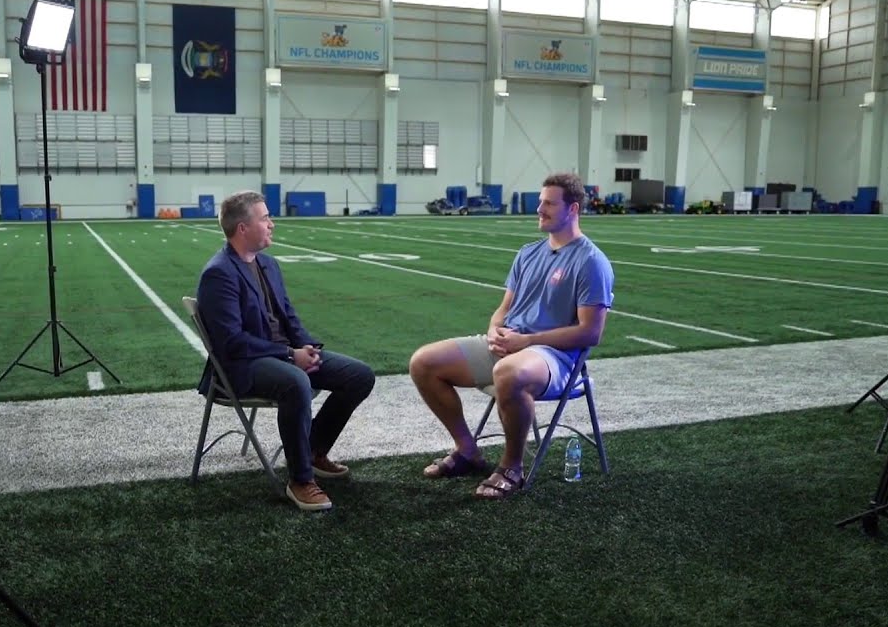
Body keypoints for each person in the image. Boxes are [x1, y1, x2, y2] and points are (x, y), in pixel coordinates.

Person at [408, 172, 613, 500]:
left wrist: (527, 342)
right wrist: (494, 332)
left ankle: (511, 467)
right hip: (510, 346)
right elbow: (503, 309)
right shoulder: (528, 253)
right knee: (423, 363)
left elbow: (591, 332)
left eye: (549, 203)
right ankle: (467, 450)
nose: (539, 209)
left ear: (573, 209)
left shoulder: (591, 261)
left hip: (554, 358)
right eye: (540, 202)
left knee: (508, 372)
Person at [196, 190, 376, 512]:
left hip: (283, 355)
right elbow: (233, 343)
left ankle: (313, 450)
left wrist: (308, 347)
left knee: (360, 376)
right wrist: (291, 356)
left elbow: (289, 318)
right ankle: (300, 480)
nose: (272, 224)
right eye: (265, 218)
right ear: (242, 228)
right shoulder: (219, 273)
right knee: (296, 382)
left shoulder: (268, 264)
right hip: (243, 365)